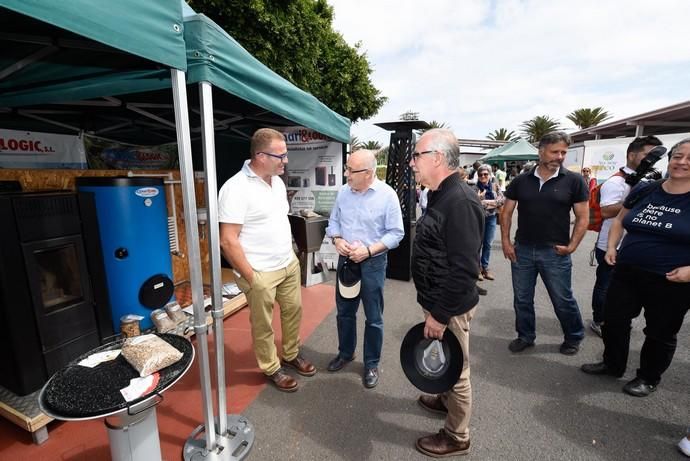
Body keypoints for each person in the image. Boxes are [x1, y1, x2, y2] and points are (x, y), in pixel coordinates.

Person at [581, 139, 690, 397]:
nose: (682, 162)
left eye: (689, 159)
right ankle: (612, 364)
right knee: (614, 320)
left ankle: (648, 377)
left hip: (671, 280)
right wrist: (610, 247)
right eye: (677, 156)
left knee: (659, 332)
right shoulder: (647, 188)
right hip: (627, 270)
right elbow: (620, 219)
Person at [218, 128, 316, 393]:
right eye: (280, 156)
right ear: (260, 156)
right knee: (263, 325)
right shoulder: (235, 188)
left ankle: (291, 354)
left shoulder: (277, 182)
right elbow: (227, 240)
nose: (285, 161)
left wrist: (292, 257)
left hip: (287, 263)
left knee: (293, 310)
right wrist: (252, 277)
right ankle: (272, 368)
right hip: (259, 271)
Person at [409, 129, 484, 457]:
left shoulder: (460, 201)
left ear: (437, 158)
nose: (412, 163)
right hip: (436, 300)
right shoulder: (439, 193)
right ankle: (443, 398)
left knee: (457, 370)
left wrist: (440, 315)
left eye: (416, 156)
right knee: (445, 363)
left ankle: (457, 435)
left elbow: (465, 270)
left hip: (449, 306)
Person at [500, 131, 589, 355]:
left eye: (563, 152)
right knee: (522, 299)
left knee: (562, 299)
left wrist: (572, 246)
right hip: (522, 250)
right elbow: (507, 213)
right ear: (541, 151)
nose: (559, 156)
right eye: (554, 151)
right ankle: (525, 336)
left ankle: (573, 336)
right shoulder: (521, 181)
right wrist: (506, 242)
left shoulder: (574, 181)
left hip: (555, 252)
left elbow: (583, 217)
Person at [325, 149, 404, 389]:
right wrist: (337, 239)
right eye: (347, 169)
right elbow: (334, 221)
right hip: (347, 262)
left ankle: (371, 363)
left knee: (373, 316)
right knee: (344, 312)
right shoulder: (343, 192)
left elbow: (396, 233)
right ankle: (346, 352)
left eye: (351, 170)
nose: (346, 174)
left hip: (373, 263)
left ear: (369, 173)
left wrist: (369, 251)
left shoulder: (387, 195)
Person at [589, 136, 663, 336]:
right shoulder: (616, 181)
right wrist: (639, 198)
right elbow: (606, 212)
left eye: (655, 155)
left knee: (625, 290)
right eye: (647, 155)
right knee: (605, 285)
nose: (652, 159)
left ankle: (616, 321)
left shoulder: (651, 179)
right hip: (610, 245)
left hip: (634, 247)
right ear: (632, 155)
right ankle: (599, 319)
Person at [472, 164, 504, 281]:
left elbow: (502, 200)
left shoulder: (495, 186)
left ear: (490, 175)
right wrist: (492, 202)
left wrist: (484, 201)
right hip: (478, 219)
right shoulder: (474, 188)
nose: (483, 176)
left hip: (491, 218)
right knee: (478, 244)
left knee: (488, 244)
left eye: (485, 174)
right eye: (481, 174)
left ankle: (485, 267)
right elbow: (474, 203)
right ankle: (477, 268)